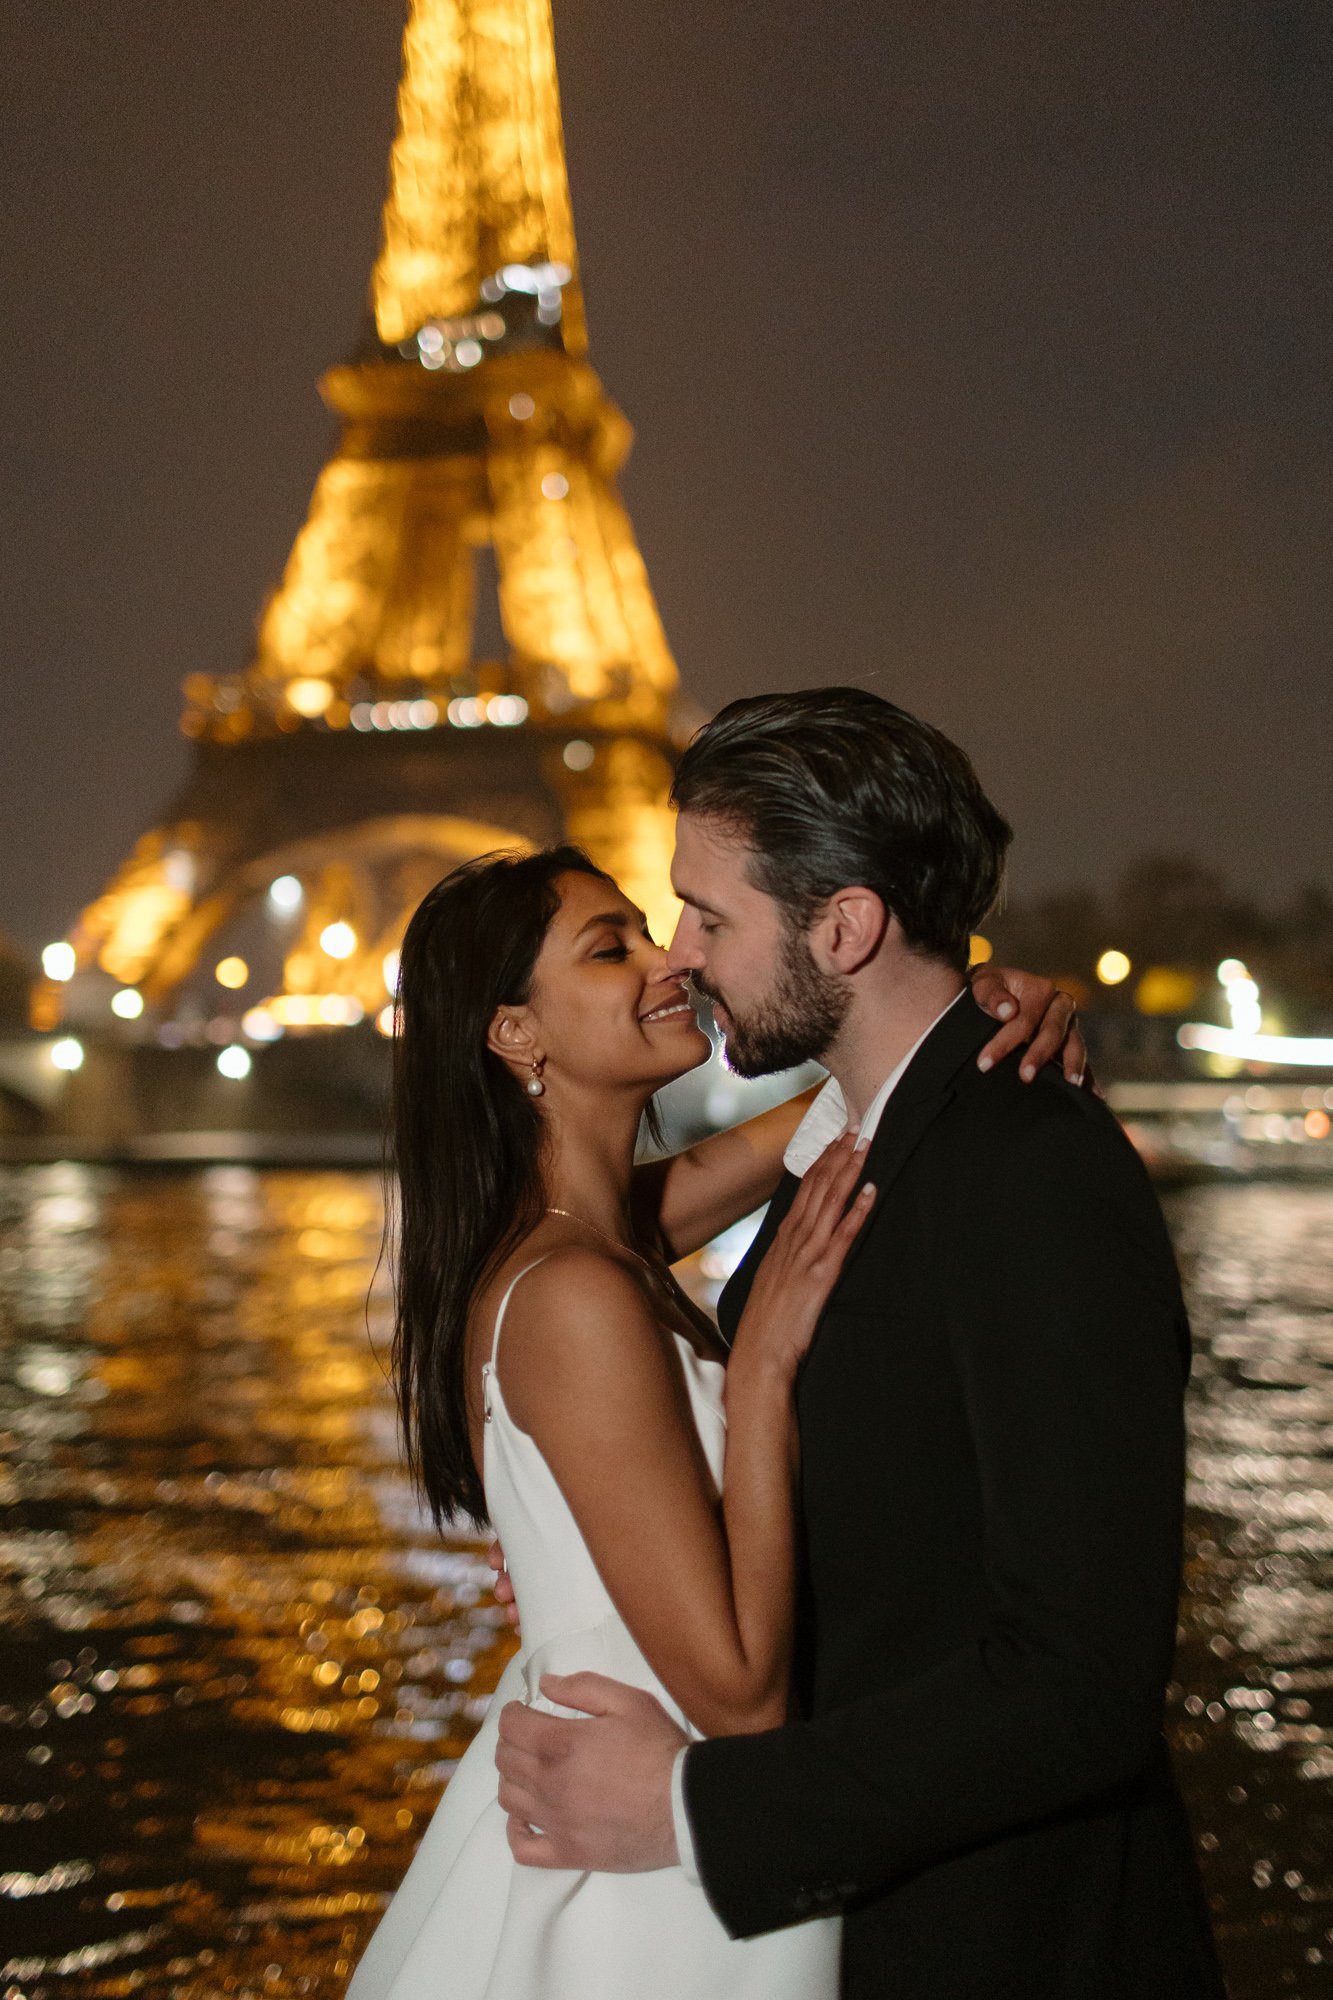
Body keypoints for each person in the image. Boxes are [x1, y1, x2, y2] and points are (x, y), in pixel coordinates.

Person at [494, 690, 1227, 1999]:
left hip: (999, 1946)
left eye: (710, 917)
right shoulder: (845, 1145)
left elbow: (1078, 1678)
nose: (681, 956)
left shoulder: (1030, 1168)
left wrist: (699, 1810)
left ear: (842, 924)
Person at [346, 826, 1082, 2000]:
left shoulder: (604, 1241)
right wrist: (758, 1379)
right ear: (514, 1031)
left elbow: (844, 1118)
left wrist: (974, 1011)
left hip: (631, 1802)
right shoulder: (575, 1291)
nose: (666, 960)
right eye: (609, 947)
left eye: (651, 926)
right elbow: (738, 1695)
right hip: (653, 1838)